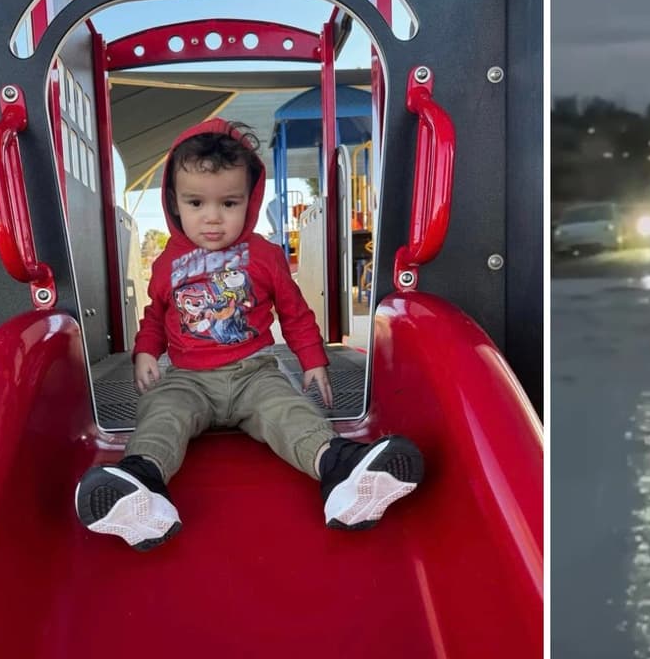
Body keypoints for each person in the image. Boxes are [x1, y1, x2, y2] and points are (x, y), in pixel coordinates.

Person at [74, 119, 423, 551]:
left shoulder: (263, 255)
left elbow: (294, 312)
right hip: (187, 379)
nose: (213, 217)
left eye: (229, 202)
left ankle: (341, 470)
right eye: (196, 202)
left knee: (287, 410)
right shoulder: (167, 263)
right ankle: (141, 483)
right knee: (162, 414)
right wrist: (146, 351)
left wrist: (313, 360)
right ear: (175, 203)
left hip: (253, 373)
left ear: (250, 200)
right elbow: (156, 315)